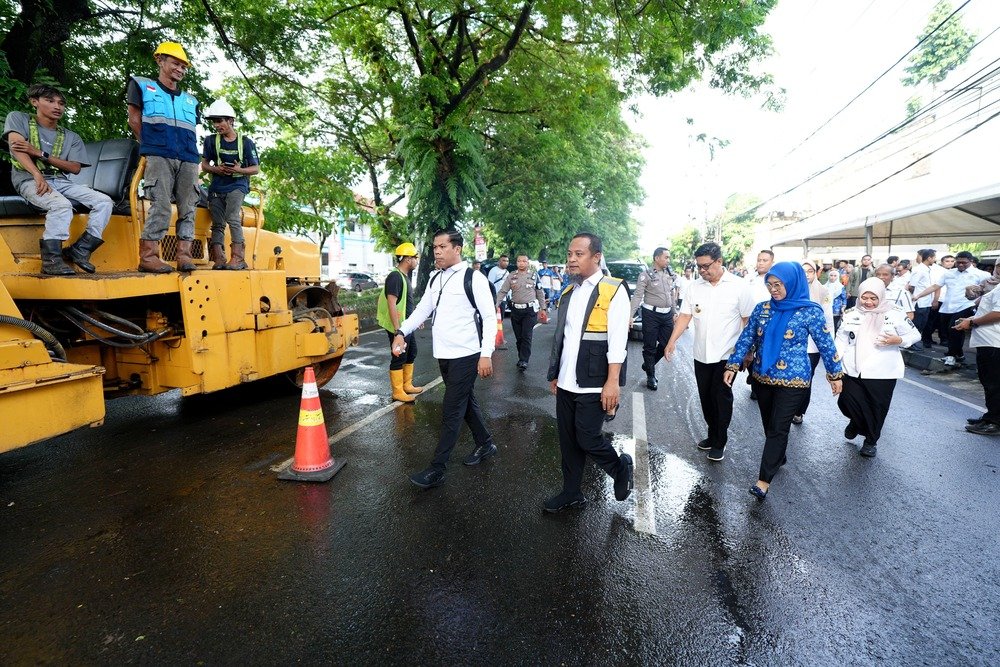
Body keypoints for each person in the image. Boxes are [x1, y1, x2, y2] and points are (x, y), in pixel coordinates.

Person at [724, 262, 843, 501]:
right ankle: (778, 456)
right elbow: (747, 337)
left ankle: (763, 481)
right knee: (770, 427)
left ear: (792, 282)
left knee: (778, 428)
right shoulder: (762, 309)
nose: (773, 289)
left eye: (778, 284)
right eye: (769, 285)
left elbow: (826, 343)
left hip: (795, 380)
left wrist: (835, 374)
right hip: (762, 377)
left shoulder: (810, 311)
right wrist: (732, 364)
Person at [392, 229, 496, 488]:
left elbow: (489, 317)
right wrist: (401, 332)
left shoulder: (474, 278)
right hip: (444, 354)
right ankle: (485, 443)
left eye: (442, 246)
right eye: (434, 247)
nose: (436, 252)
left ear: (457, 249)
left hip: (467, 354)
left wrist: (486, 354)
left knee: (452, 409)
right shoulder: (435, 278)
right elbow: (422, 310)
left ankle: (437, 468)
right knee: (465, 401)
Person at [544, 232, 633, 512]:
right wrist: (556, 373)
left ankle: (619, 468)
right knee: (568, 441)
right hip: (567, 381)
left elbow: (618, 341)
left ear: (596, 257)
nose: (571, 259)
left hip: (595, 382)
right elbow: (562, 338)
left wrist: (612, 382)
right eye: (569, 254)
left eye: (578, 254)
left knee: (587, 438)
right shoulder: (568, 292)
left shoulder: (613, 289)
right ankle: (571, 493)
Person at [4, 84, 113, 275]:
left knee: (104, 201)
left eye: (61, 103)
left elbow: (74, 168)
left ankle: (80, 249)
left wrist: (40, 153)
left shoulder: (71, 137)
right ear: (34, 102)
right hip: (28, 179)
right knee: (61, 205)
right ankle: (52, 261)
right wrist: (36, 174)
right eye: (50, 101)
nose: (57, 107)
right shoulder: (18, 118)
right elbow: (17, 148)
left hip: (61, 181)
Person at [663, 242, 755, 461]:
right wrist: (671, 341)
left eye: (706, 266)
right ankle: (712, 434)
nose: (702, 271)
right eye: (699, 267)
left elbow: (748, 321)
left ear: (719, 261)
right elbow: (685, 316)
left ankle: (720, 441)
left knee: (721, 397)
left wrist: (748, 351)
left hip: (727, 355)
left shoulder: (739, 286)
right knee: (706, 398)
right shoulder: (694, 287)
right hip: (701, 353)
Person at [127, 41, 200, 273]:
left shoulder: (191, 100)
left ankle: (184, 256)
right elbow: (134, 120)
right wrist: (150, 146)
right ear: (160, 60)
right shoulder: (142, 86)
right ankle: (148, 257)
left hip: (189, 158)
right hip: (159, 155)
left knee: (189, 207)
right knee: (161, 205)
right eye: (175, 63)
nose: (180, 69)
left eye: (183, 66)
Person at [836, 278, 920, 457]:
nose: (868, 302)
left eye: (873, 298)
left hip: (883, 370)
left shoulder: (896, 313)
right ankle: (856, 422)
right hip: (853, 368)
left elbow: (915, 335)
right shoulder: (851, 313)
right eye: (864, 297)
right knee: (846, 402)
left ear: (881, 296)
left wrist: (899, 340)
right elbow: (841, 339)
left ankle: (870, 441)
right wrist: (834, 362)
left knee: (877, 408)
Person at [200, 98, 259, 270]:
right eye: (214, 122)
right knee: (217, 223)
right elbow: (204, 165)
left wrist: (239, 170)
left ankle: (238, 258)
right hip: (217, 186)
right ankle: (219, 259)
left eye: (220, 121)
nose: (216, 125)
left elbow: (256, 168)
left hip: (237, 185)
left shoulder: (245, 143)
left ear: (230, 120)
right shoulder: (211, 141)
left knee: (232, 217)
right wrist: (216, 169)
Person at [912, 251, 990, 366]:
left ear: (971, 261)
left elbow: (988, 291)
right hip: (948, 307)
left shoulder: (981, 274)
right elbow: (935, 286)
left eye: (964, 262)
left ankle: (951, 355)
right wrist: (919, 295)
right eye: (958, 262)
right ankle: (959, 354)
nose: (961, 264)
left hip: (966, 305)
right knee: (947, 331)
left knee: (954, 329)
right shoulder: (949, 273)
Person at [791, 261, 836, 425]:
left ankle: (799, 410)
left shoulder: (824, 291)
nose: (806, 274)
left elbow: (828, 320)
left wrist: (829, 347)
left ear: (816, 273)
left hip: (813, 346)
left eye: (810, 271)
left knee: (806, 378)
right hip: (791, 344)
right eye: (803, 271)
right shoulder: (789, 289)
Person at [377, 242, 423, 402]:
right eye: (415, 257)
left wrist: (415, 319)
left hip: (406, 325)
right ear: (408, 259)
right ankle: (397, 391)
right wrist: (398, 331)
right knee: (399, 355)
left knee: (411, 352)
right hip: (398, 327)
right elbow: (392, 303)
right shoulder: (395, 277)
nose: (416, 261)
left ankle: (406, 385)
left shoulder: (404, 277)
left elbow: (405, 302)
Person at [953, 283, 1000, 435]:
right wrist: (971, 319)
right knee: (989, 382)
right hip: (988, 341)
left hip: (994, 342)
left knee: (994, 384)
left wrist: (972, 322)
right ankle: (990, 416)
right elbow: (989, 310)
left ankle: (994, 422)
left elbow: (998, 313)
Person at [630, 247, 676, 390]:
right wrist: (630, 315)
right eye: (666, 257)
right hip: (651, 314)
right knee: (649, 346)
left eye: (669, 257)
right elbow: (638, 296)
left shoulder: (669, 274)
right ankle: (651, 376)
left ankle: (648, 364)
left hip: (667, 315)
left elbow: (671, 294)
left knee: (667, 343)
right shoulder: (645, 275)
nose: (668, 260)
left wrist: (674, 312)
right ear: (657, 258)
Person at [495, 253, 548, 370]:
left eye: (524, 261)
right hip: (515, 311)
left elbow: (540, 292)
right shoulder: (511, 276)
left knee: (526, 336)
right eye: (519, 261)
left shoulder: (534, 276)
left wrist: (543, 308)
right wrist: (496, 304)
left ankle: (524, 360)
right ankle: (521, 357)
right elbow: (503, 291)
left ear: (528, 263)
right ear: (516, 262)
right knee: (519, 338)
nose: (521, 263)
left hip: (529, 311)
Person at [908, 249, 940, 349]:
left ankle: (915, 343)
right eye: (934, 258)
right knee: (916, 324)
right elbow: (911, 286)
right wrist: (915, 296)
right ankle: (911, 343)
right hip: (919, 302)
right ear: (929, 258)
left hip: (926, 301)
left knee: (922, 324)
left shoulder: (927, 269)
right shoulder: (919, 269)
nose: (935, 260)